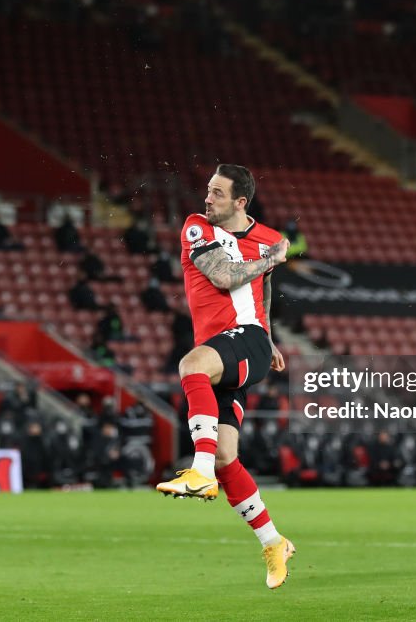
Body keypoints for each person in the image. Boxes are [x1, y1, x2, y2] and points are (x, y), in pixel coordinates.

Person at [154, 164, 294, 589]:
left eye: (217, 193)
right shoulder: (197, 228)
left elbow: (263, 290)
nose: (207, 199)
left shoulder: (267, 238)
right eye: (208, 191)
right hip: (224, 349)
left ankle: (197, 471)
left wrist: (267, 338)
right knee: (227, 457)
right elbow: (224, 276)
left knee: (190, 365)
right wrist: (272, 258)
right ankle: (274, 543)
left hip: (245, 341)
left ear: (240, 201)